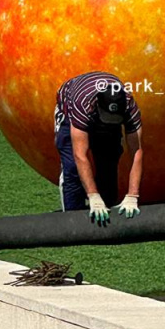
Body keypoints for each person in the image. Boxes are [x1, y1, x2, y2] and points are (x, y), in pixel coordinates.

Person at [54, 72, 143, 224]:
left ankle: (108, 210)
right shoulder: (82, 104)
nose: (109, 122)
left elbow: (137, 152)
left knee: (109, 159)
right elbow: (80, 155)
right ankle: (73, 219)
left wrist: (133, 195)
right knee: (72, 167)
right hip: (70, 110)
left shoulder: (130, 107)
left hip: (98, 111)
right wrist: (93, 196)